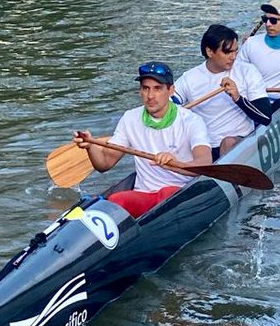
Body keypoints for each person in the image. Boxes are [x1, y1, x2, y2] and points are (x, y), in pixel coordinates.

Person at [73, 62, 211, 218]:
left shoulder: (192, 121)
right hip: (144, 194)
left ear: (171, 90)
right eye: (146, 88)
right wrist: (90, 146)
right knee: (117, 199)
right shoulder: (130, 118)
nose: (150, 96)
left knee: (168, 193)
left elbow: (205, 163)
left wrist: (176, 164)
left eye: (157, 88)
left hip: (179, 191)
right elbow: (104, 164)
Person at [174, 24, 272, 158]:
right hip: (205, 146)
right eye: (227, 52)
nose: (233, 57)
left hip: (239, 141)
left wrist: (238, 98)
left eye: (235, 51)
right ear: (210, 52)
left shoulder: (247, 71)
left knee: (228, 142)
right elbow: (168, 102)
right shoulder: (189, 78)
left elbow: (266, 117)